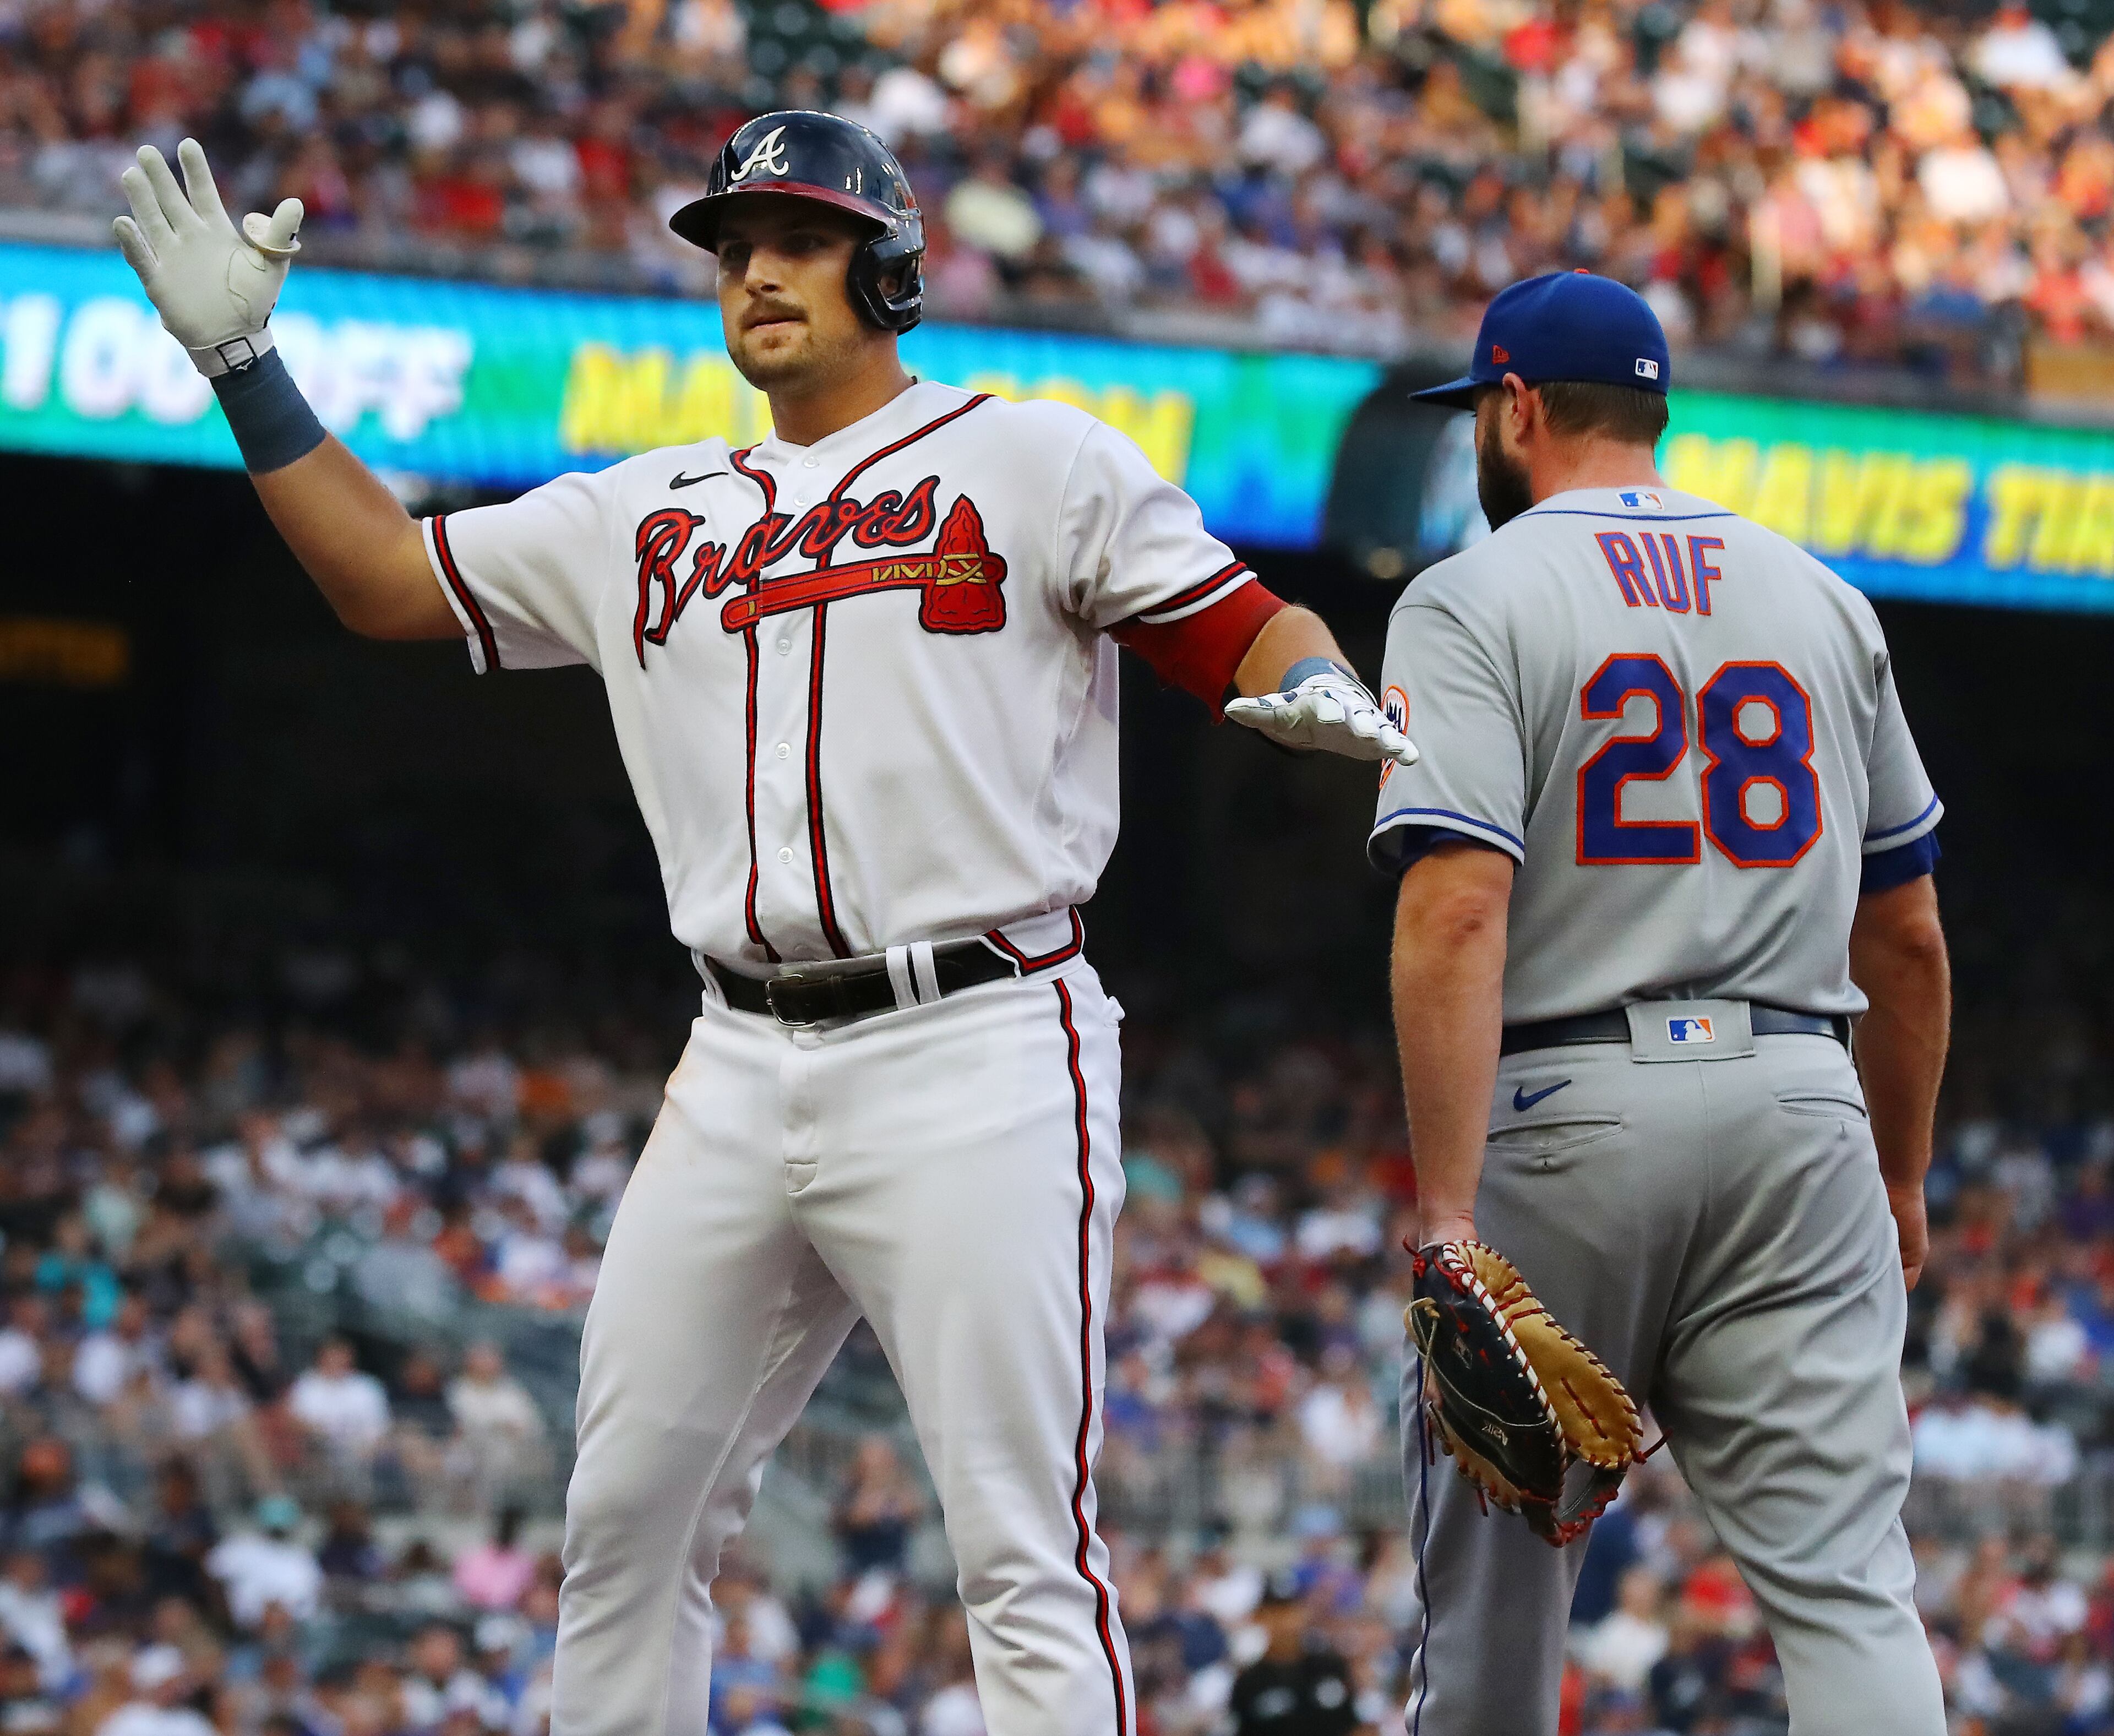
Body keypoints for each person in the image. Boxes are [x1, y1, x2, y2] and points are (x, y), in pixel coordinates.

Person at [112, 111, 1413, 1736]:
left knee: (1022, 1547)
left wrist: (1307, 681)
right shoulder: (640, 508)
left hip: (981, 1035)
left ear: (887, 265)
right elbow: (381, 579)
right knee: (627, 1518)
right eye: (730, 249)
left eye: (793, 239)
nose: (754, 274)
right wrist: (246, 368)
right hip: (733, 1052)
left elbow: (1242, 621)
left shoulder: (1033, 459)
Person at [1371, 271, 1949, 1733]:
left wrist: (1447, 1217)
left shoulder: (1471, 594)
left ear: (1515, 408)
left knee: (1493, 1618)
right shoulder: (1825, 599)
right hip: (1802, 1099)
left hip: (1570, 1113)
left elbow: (1455, 906)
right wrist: (1898, 1171)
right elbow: (1912, 939)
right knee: (1847, 1590)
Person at [1225, 1571, 1358, 1736]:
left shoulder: (1331, 1666)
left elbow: (1354, 1725)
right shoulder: (1249, 1682)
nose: (1287, 1622)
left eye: (1292, 1611)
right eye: (1276, 1613)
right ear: (1261, 1618)